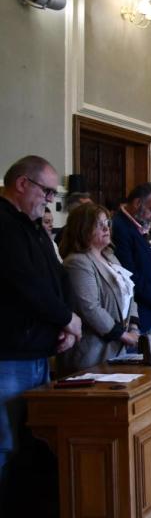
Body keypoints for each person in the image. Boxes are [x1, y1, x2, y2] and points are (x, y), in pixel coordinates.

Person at [0, 155, 81, 511]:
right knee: (4, 444)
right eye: (46, 191)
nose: (50, 200)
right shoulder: (3, 224)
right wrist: (66, 319)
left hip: (37, 349)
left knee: (29, 441)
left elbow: (56, 277)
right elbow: (24, 283)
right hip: (8, 354)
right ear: (22, 184)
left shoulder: (31, 226)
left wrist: (64, 324)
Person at [58, 203, 140, 375]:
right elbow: (90, 308)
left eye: (107, 223)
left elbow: (129, 292)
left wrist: (133, 327)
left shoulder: (110, 256)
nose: (106, 228)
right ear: (82, 229)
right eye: (98, 224)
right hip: (92, 352)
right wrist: (122, 335)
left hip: (117, 346)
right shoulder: (77, 262)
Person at [112, 183, 151, 334]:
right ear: (137, 203)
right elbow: (130, 274)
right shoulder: (119, 227)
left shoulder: (142, 224)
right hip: (139, 312)